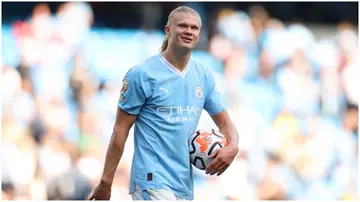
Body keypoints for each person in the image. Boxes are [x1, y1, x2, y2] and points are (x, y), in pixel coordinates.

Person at [89, 6, 239, 200]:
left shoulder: (203, 76)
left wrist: (233, 146)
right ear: (168, 30)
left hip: (183, 183)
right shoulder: (142, 74)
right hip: (151, 180)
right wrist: (106, 181)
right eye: (182, 26)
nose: (188, 31)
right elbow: (120, 130)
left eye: (194, 28)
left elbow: (225, 123)